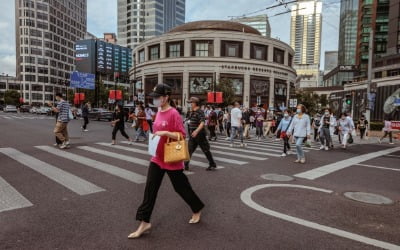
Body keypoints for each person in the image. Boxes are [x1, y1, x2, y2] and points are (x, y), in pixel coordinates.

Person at [129, 84, 204, 239]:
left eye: (157, 97)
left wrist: (165, 132)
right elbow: (156, 130)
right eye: (154, 97)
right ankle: (144, 222)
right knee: (150, 189)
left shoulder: (174, 113)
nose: (155, 99)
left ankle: (196, 208)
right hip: (157, 158)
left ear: (165, 97)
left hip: (171, 159)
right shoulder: (158, 112)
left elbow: (182, 136)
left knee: (181, 187)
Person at [184, 97, 217, 171]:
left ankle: (212, 164)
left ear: (195, 103)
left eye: (191, 102)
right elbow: (188, 120)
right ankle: (185, 165)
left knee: (205, 149)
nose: (190, 104)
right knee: (189, 149)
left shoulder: (200, 111)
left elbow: (202, 122)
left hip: (199, 134)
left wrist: (196, 131)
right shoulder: (192, 111)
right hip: (193, 134)